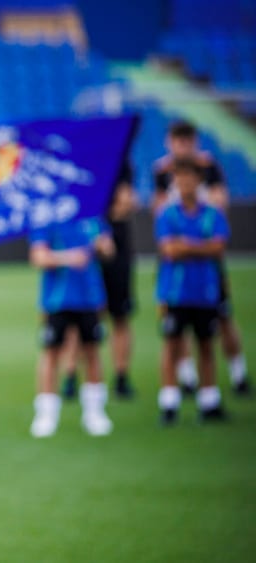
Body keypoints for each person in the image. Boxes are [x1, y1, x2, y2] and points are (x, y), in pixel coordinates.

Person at [152, 121, 248, 395]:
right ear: (169, 143)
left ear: (195, 142)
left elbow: (219, 206)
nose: (182, 147)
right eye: (177, 142)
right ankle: (186, 377)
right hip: (176, 269)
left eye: (187, 142)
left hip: (207, 268)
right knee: (175, 328)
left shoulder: (209, 166)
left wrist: (188, 243)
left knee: (222, 318)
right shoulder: (162, 170)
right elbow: (160, 213)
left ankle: (238, 373)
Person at [155, 157, 230, 424]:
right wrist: (201, 246)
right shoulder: (167, 214)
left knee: (206, 345)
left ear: (199, 180)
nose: (184, 182)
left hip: (205, 292)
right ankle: (169, 402)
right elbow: (169, 249)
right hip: (175, 293)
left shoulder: (212, 214)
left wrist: (185, 245)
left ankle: (209, 400)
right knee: (172, 346)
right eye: (179, 177)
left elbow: (218, 247)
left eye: (189, 177)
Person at [29, 217, 115, 438]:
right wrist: (67, 258)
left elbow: (109, 251)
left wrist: (102, 246)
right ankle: (46, 413)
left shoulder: (93, 217)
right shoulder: (48, 217)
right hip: (57, 300)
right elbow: (38, 257)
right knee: (51, 353)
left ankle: (94, 412)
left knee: (92, 351)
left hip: (90, 298)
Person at [60, 161, 139, 400]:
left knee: (119, 315)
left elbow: (125, 205)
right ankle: (71, 375)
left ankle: (121, 376)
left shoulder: (119, 160)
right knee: (76, 316)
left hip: (115, 249)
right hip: (81, 247)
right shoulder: (77, 160)